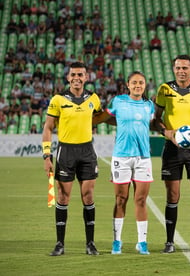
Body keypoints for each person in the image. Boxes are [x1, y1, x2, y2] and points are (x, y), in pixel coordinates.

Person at [153, 54, 190, 254]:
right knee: (172, 195)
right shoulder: (164, 89)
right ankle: (169, 241)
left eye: (185, 68)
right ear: (174, 69)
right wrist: (168, 133)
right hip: (172, 149)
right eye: (178, 68)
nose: (181, 71)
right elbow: (156, 119)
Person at [42, 62, 102, 256]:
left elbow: (100, 118)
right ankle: (60, 244)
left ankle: (90, 243)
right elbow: (48, 128)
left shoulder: (93, 98)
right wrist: (46, 155)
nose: (77, 78)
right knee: (62, 197)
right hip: (66, 152)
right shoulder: (58, 99)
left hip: (87, 151)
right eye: (73, 74)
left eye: (80, 75)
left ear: (86, 77)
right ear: (68, 77)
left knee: (88, 196)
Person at [93, 71, 154, 255]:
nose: (138, 85)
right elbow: (103, 118)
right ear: (128, 85)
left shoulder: (149, 105)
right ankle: (116, 241)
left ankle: (142, 242)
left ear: (145, 85)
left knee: (141, 200)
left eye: (141, 82)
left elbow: (151, 124)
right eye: (134, 82)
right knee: (121, 199)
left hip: (143, 157)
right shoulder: (118, 101)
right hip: (122, 156)